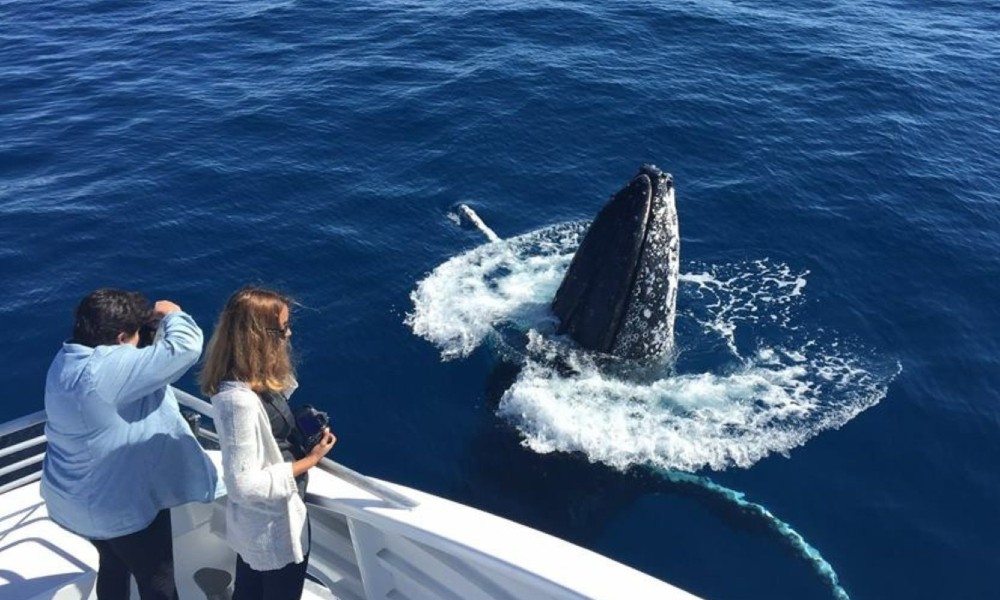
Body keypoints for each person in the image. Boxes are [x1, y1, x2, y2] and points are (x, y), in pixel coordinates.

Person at [41, 288, 222, 600]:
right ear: (122, 338)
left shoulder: (66, 359)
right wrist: (173, 313)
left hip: (72, 496)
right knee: (158, 583)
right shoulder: (104, 372)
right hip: (118, 508)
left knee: (113, 564)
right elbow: (186, 347)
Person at [199, 286, 336, 600]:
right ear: (256, 335)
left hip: (265, 523)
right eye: (282, 328)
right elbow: (243, 485)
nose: (288, 334)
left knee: (249, 590)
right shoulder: (238, 401)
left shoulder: (245, 380)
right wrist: (311, 459)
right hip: (271, 528)